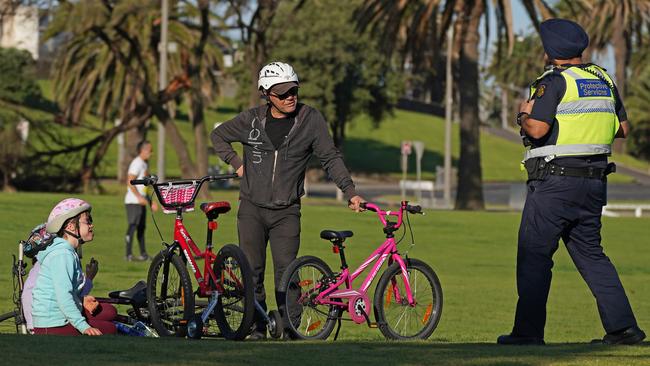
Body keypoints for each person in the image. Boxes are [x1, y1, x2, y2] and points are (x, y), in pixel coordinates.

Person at [498, 19, 645, 346]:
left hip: (554, 184)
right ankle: (624, 329)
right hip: (593, 184)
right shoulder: (603, 79)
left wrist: (522, 115)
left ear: (550, 51)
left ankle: (527, 333)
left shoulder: (553, 82)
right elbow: (622, 128)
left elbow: (536, 128)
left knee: (535, 256)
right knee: (592, 255)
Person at [211, 61, 365, 339]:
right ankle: (256, 326)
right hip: (251, 209)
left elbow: (330, 157)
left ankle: (291, 327)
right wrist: (236, 163)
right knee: (252, 272)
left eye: (293, 90)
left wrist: (350, 191)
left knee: (288, 272)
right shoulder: (251, 120)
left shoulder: (310, 120)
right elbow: (218, 135)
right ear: (266, 94)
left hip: (287, 211)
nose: (290, 97)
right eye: (282, 93)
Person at [32, 198, 117, 336]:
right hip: (53, 323)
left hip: (62, 316)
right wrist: (83, 327)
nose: (91, 225)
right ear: (71, 226)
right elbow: (63, 295)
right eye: (88, 221)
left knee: (110, 312)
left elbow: (71, 290)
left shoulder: (68, 252)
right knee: (111, 329)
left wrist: (81, 299)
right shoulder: (62, 255)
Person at [124, 140, 158, 261]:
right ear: (142, 150)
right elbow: (129, 181)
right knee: (133, 226)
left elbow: (146, 186)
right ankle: (128, 254)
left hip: (141, 202)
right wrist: (139, 197)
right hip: (133, 202)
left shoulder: (144, 164)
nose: (151, 153)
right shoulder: (137, 163)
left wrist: (150, 201)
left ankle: (143, 254)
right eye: (150, 150)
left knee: (141, 228)